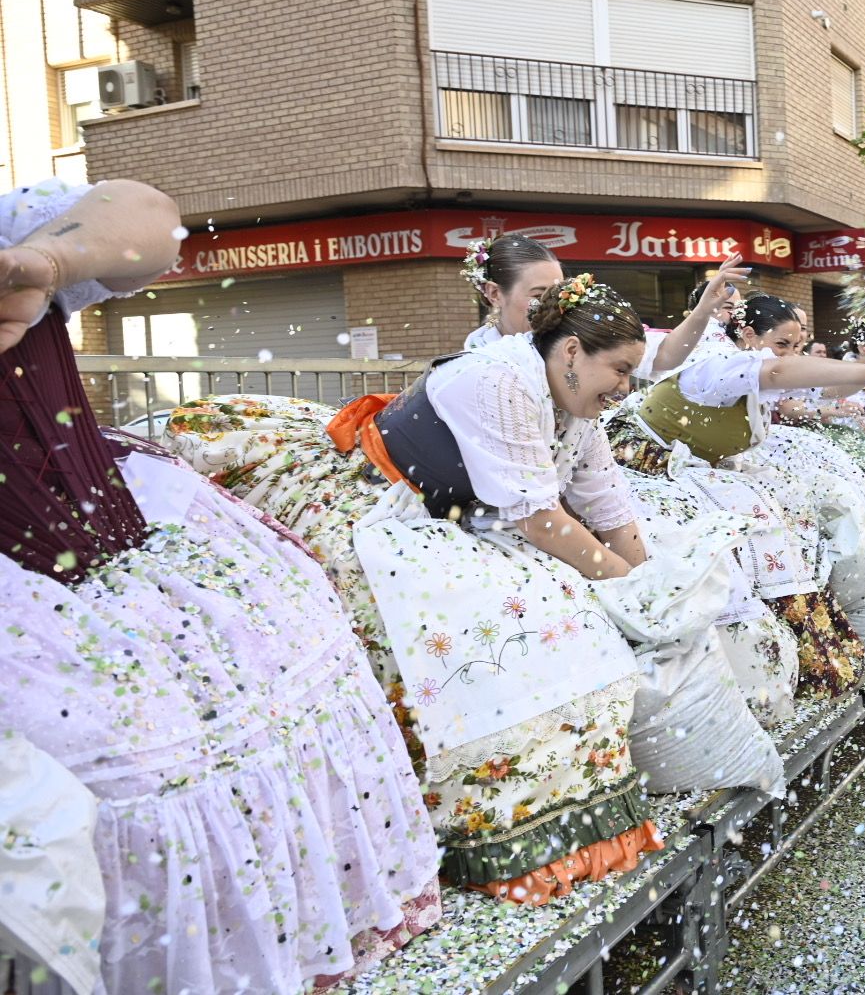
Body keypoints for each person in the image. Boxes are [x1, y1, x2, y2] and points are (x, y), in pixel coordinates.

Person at [0, 178, 441, 991]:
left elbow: (154, 224)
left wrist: (47, 260)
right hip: (31, 604)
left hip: (107, 546)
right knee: (123, 787)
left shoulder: (13, 235)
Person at [167, 275, 667, 908]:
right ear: (571, 352)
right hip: (379, 512)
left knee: (555, 613)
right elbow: (539, 518)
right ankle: (446, 815)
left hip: (454, 523)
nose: (625, 388)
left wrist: (649, 580)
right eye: (619, 370)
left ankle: (562, 809)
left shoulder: (576, 404)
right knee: (471, 633)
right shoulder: (497, 378)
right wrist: (632, 588)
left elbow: (604, 499)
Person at [609, 293, 865, 697]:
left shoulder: (748, 367)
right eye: (782, 344)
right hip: (648, 468)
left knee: (790, 502)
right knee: (751, 523)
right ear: (750, 334)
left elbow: (814, 388)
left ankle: (796, 652)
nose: (789, 354)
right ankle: (756, 671)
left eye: (797, 345)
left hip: (700, 468)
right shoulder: (718, 365)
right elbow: (777, 374)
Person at [463, 234, 748, 380]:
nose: (554, 303)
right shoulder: (478, 359)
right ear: (494, 293)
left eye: (560, 290)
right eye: (538, 294)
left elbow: (664, 355)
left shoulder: (579, 325)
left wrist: (702, 310)